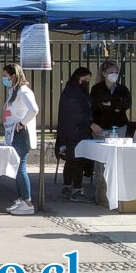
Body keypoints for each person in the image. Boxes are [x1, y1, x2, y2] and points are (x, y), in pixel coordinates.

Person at [56, 67, 102, 203]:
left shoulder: (72, 91)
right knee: (77, 161)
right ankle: (76, 190)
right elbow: (77, 112)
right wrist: (90, 123)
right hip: (76, 131)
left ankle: (67, 187)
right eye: (85, 79)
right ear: (79, 77)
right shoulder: (73, 93)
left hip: (72, 131)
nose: (86, 82)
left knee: (71, 160)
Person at [2, 64, 39, 216]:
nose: (4, 79)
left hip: (21, 134)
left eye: (6, 76)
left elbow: (34, 109)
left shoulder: (23, 91)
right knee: (16, 167)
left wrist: (21, 123)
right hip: (13, 133)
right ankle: (21, 199)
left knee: (20, 167)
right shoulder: (13, 92)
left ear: (13, 76)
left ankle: (27, 202)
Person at [90, 59, 131, 138]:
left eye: (116, 73)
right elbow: (95, 105)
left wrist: (110, 104)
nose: (114, 75)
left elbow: (127, 103)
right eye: (111, 72)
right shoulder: (96, 89)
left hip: (120, 126)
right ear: (104, 73)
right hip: (102, 128)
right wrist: (115, 107)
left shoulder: (122, 88)